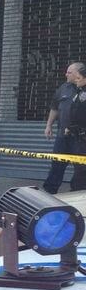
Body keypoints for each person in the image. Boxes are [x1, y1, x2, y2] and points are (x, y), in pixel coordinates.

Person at [42, 63, 85, 193]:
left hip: (80, 139)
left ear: (80, 74)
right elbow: (55, 107)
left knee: (81, 168)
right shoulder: (64, 88)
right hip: (62, 136)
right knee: (56, 165)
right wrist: (49, 125)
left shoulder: (83, 90)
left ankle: (78, 193)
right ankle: (49, 192)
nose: (66, 74)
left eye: (69, 72)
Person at [64, 64, 86, 192]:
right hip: (78, 138)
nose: (76, 80)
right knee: (79, 168)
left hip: (83, 138)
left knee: (82, 171)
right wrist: (70, 127)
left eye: (79, 78)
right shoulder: (80, 92)